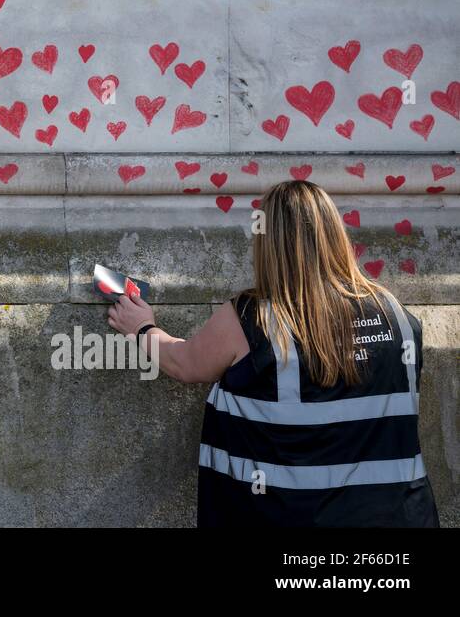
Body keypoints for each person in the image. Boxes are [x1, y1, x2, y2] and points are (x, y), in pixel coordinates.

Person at [108, 179, 439, 526]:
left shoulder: (255, 317)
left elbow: (186, 363)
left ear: (269, 243)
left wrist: (142, 328)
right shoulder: (396, 314)